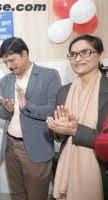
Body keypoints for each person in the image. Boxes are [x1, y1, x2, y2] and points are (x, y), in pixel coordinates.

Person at [0, 37, 61, 200]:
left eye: (12, 60)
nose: (9, 66)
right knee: (17, 194)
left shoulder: (49, 76)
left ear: (24, 54)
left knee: (36, 196)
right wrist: (6, 109)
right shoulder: (6, 80)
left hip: (36, 147)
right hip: (11, 146)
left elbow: (55, 110)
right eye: (5, 62)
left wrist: (28, 107)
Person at [47, 35, 108, 200]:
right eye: (73, 54)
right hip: (65, 165)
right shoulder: (64, 91)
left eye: (85, 52)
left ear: (100, 54)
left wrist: (75, 130)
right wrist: (58, 129)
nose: (77, 59)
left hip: (100, 168)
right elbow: (60, 137)